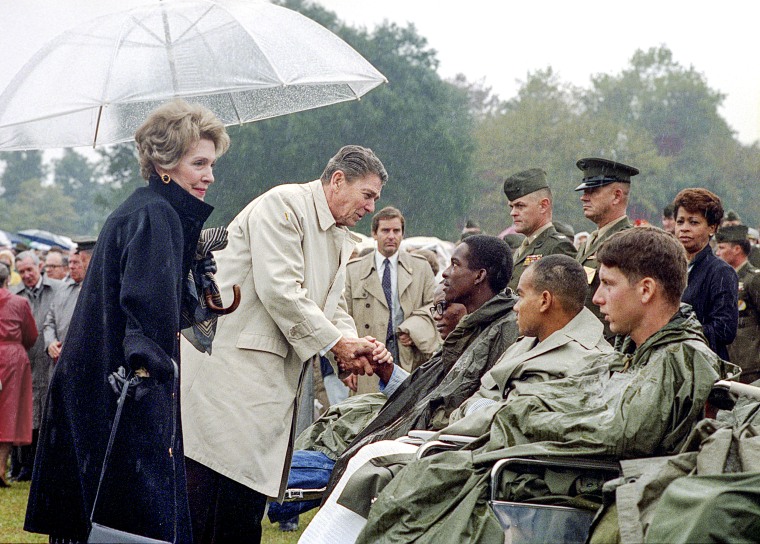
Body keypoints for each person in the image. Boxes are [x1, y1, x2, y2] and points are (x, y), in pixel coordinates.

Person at [357, 227, 734, 544]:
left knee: (426, 493)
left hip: (579, 485)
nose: (597, 297)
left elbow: (623, 431)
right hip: (558, 472)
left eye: (607, 284)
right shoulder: (637, 352)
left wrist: (526, 414)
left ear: (646, 290)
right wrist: (525, 411)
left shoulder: (680, 357)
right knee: (421, 482)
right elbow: (584, 400)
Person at [25, 99, 230, 543]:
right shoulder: (156, 215)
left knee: (93, 528)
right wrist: (154, 403)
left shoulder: (146, 210)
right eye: (198, 163)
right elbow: (147, 323)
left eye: (212, 164)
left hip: (93, 391)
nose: (209, 176)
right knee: (131, 529)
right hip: (117, 396)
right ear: (165, 165)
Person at [180, 145, 392, 544]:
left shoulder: (339, 237)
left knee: (241, 508)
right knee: (210, 503)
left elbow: (333, 304)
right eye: (368, 195)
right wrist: (336, 345)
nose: (370, 207)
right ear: (338, 180)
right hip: (230, 378)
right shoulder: (284, 206)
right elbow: (281, 290)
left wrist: (351, 343)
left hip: (262, 387)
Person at [345, 206, 436, 393]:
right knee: (368, 415)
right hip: (367, 362)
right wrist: (346, 364)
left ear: (402, 234)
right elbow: (343, 316)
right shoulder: (353, 271)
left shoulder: (421, 268)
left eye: (396, 231)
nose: (391, 236)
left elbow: (435, 307)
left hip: (409, 358)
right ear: (374, 234)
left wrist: (414, 329)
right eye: (385, 230)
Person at [10, 250, 61, 482]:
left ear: (39, 267)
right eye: (21, 272)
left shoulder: (57, 289)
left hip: (49, 357)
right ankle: (24, 465)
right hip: (26, 360)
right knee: (25, 411)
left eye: (30, 270)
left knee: (46, 408)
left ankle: (45, 464)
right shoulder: (14, 294)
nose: (27, 275)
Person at [574, 157, 638, 338]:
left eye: (592, 191)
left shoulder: (628, 242)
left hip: (608, 345)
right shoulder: (592, 240)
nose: (583, 197)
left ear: (617, 196)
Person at [673, 188, 738, 360]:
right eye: (680, 222)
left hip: (703, 366)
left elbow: (725, 330)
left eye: (693, 222)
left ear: (712, 228)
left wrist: (676, 330)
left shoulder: (721, 272)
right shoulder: (667, 268)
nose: (684, 229)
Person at [503, 168, 576, 292]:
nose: (513, 213)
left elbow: (563, 302)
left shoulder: (558, 247)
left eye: (520, 206)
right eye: (512, 207)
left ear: (543, 206)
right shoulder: (523, 247)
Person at [0, 263, 38, 488]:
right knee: (8, 413)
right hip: (13, 358)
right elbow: (31, 335)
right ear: (8, 280)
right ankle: (1, 468)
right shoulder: (19, 303)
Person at [715, 225, 760, 382]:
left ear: (737, 249)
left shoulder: (753, 279)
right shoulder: (723, 279)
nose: (717, 252)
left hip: (751, 366)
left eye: (721, 247)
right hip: (730, 364)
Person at [42, 239, 95, 363]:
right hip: (59, 361)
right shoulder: (62, 289)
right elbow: (49, 322)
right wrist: (51, 343)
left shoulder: (95, 290)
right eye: (70, 262)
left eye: (76, 262)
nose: (72, 266)